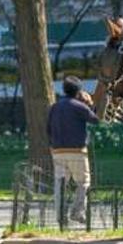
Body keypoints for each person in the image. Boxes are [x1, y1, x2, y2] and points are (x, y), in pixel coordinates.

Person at [47, 77, 100, 223]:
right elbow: (95, 120)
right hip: (77, 151)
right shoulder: (79, 106)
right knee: (83, 182)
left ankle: (59, 216)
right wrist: (90, 104)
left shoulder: (54, 107)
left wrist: (52, 146)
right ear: (78, 91)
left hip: (57, 151)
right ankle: (77, 212)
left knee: (60, 183)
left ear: (64, 90)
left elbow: (48, 128)